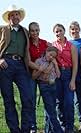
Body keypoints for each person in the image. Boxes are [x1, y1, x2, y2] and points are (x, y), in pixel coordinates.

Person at [0, 5, 36, 133]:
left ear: (19, 17)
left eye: (17, 14)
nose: (15, 17)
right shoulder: (2, 30)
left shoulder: (25, 31)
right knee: (9, 100)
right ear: (9, 18)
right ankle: (15, 130)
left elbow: (36, 41)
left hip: (21, 65)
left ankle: (25, 130)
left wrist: (49, 46)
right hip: (5, 65)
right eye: (12, 15)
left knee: (27, 98)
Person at [52, 23, 78, 133]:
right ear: (54, 33)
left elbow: (75, 65)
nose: (58, 33)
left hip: (68, 74)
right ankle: (62, 125)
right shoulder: (52, 45)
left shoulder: (71, 46)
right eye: (56, 31)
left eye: (60, 31)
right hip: (57, 75)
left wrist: (73, 80)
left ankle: (70, 127)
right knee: (59, 102)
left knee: (69, 102)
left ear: (64, 31)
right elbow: (49, 58)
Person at [32, 46, 64, 133]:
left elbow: (58, 75)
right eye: (50, 55)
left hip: (53, 86)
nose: (51, 57)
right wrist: (40, 70)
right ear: (46, 52)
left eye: (53, 56)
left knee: (51, 109)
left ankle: (48, 130)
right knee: (51, 110)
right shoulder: (39, 61)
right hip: (44, 86)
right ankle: (58, 130)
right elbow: (34, 76)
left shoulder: (53, 62)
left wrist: (56, 64)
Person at [28, 22, 50, 131]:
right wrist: (39, 68)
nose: (35, 32)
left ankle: (48, 127)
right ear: (29, 32)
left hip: (43, 76)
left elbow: (52, 54)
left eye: (37, 30)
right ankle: (33, 127)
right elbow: (27, 61)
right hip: (31, 75)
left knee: (47, 100)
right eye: (32, 30)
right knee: (31, 100)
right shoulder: (27, 44)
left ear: (39, 30)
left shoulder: (45, 43)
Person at [69, 21, 81, 132]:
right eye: (72, 29)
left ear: (79, 30)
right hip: (74, 75)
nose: (74, 31)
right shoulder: (69, 43)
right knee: (78, 100)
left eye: (76, 29)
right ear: (70, 31)